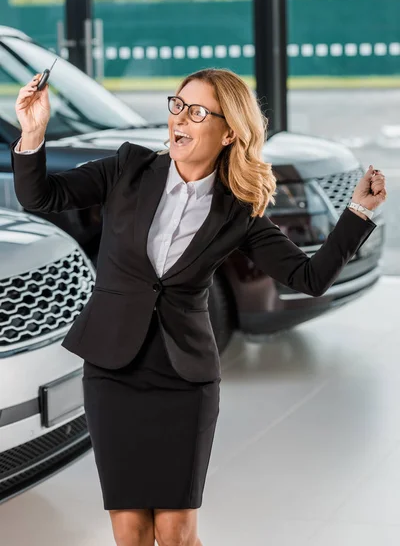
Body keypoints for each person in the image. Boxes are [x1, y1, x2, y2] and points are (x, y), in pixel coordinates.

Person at [12, 67, 386, 546]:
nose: (179, 119)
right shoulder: (128, 168)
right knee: (130, 531)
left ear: (229, 131)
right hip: (112, 371)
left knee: (177, 532)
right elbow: (39, 195)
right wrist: (33, 132)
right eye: (177, 105)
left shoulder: (238, 210)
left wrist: (357, 214)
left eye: (197, 111)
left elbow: (308, 278)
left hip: (183, 377)